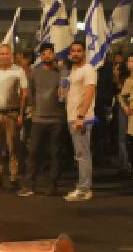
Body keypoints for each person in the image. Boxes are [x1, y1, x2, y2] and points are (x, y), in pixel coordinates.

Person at [20, 44, 64, 197]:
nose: (47, 56)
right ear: (40, 56)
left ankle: (52, 186)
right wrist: (33, 110)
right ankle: (30, 185)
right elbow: (31, 93)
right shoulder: (34, 72)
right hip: (38, 119)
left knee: (54, 154)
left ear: (54, 54)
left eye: (50, 53)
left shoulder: (61, 72)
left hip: (57, 119)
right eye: (44, 53)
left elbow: (65, 93)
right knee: (33, 153)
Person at [0, 44, 29, 189]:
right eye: (1, 54)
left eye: (6, 54)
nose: (4, 56)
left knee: (13, 147)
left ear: (11, 55)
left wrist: (21, 114)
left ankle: (14, 177)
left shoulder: (19, 71)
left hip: (12, 113)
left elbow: (24, 94)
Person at [63, 41, 98, 202]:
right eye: (73, 51)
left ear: (84, 53)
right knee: (80, 154)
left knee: (82, 154)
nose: (75, 53)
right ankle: (83, 186)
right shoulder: (72, 71)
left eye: (79, 51)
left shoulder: (88, 70)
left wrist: (81, 116)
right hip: (72, 117)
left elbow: (89, 94)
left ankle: (84, 189)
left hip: (81, 119)